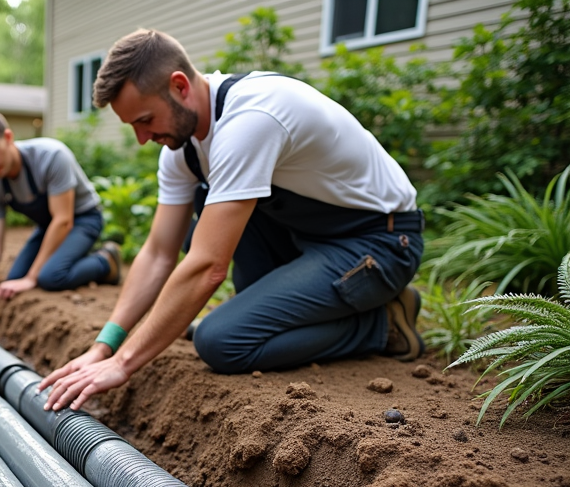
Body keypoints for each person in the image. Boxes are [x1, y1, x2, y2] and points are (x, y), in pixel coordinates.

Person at [42, 29, 425, 412]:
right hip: (310, 238)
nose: (142, 138)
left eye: (145, 120)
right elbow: (159, 253)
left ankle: (384, 324)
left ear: (179, 86)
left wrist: (122, 365)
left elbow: (208, 266)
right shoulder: (182, 150)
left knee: (221, 341)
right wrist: (104, 345)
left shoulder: (252, 118)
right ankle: (307, 312)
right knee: (207, 204)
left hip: (379, 245)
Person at [0, 111, 121, 312]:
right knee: (14, 279)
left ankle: (106, 261)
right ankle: (72, 256)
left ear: (8, 138)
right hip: (49, 226)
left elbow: (63, 220)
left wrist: (32, 277)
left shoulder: (51, 156)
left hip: (83, 219)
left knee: (50, 277)